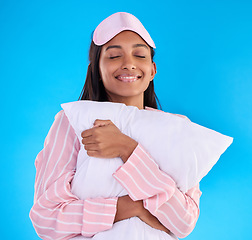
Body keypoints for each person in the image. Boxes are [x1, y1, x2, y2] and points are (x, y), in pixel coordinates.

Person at [30, 12, 202, 240]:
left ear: (152, 70)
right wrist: (133, 207)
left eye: (139, 55)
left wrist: (127, 149)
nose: (129, 64)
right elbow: (47, 219)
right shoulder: (72, 121)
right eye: (113, 57)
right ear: (97, 70)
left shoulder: (176, 128)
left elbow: (184, 222)